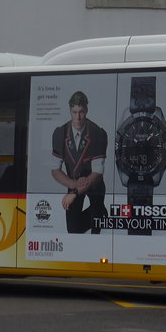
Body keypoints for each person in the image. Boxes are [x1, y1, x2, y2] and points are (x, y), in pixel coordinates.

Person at [50, 90, 108, 234]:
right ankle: (102, 213)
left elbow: (97, 173)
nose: (78, 117)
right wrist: (74, 185)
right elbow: (55, 170)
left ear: (86, 110)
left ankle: (100, 213)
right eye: (74, 112)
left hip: (94, 186)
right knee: (73, 230)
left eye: (81, 112)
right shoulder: (59, 133)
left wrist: (74, 193)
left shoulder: (98, 133)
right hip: (73, 182)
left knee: (96, 230)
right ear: (70, 111)